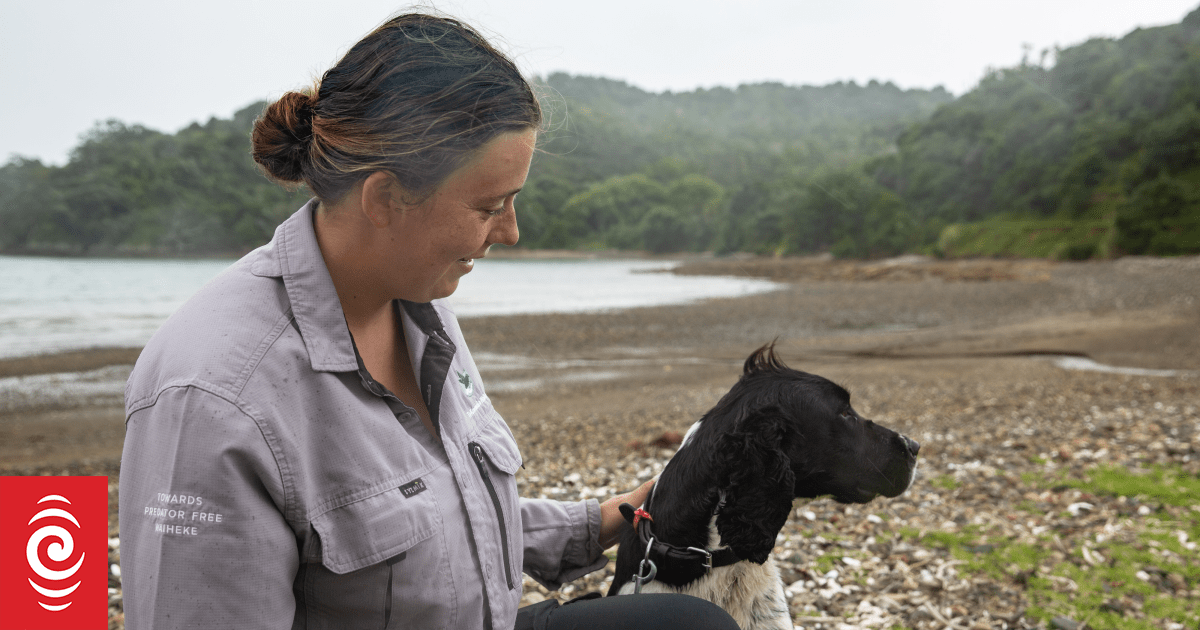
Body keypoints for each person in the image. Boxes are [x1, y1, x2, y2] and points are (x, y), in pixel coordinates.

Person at [118, 13, 740, 630]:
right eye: (489, 207)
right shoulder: (213, 399)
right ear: (385, 199)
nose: (512, 232)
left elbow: (435, 511)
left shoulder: (419, 303)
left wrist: (612, 516)